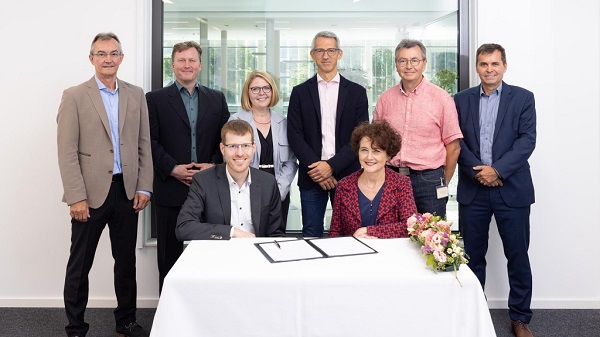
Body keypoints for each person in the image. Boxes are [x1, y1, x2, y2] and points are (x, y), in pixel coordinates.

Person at [57, 32, 152, 337]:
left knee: (125, 263)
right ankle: (75, 327)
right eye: (101, 54)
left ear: (121, 58)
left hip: (127, 191)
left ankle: (125, 322)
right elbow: (67, 151)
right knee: (79, 265)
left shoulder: (135, 94)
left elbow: (143, 144)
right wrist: (76, 197)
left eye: (113, 53)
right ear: (91, 59)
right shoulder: (74, 95)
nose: (108, 59)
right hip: (89, 195)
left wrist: (144, 186)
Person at [454, 43, 536, 337]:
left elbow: (526, 141)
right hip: (473, 190)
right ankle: (475, 314)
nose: (489, 69)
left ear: (504, 66)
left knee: (517, 255)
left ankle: (520, 318)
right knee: (472, 257)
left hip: (511, 189)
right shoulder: (460, 100)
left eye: (495, 64)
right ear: (477, 67)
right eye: (484, 64)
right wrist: (481, 172)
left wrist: (497, 170)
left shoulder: (523, 98)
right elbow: (456, 141)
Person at [146, 41, 229, 292]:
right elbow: (149, 140)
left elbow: (225, 139)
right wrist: (172, 168)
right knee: (168, 257)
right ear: (172, 65)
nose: (187, 65)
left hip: (209, 187)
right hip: (169, 187)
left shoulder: (217, 99)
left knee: (208, 256)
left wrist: (213, 164)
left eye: (192, 60)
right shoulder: (155, 99)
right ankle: (169, 320)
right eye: (181, 60)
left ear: (200, 65)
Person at [287, 31, 369, 237]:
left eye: (331, 50)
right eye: (320, 50)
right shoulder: (299, 92)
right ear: (312, 54)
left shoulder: (357, 92)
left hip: (348, 175)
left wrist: (331, 167)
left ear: (339, 54)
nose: (326, 55)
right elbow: (294, 134)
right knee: (311, 233)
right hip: (311, 175)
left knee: (350, 234)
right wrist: (319, 168)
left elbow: (360, 136)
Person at [373, 39, 462, 219]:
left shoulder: (442, 98)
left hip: (429, 180)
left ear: (424, 64)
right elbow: (376, 143)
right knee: (390, 234)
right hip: (391, 177)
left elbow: (453, 147)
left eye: (414, 60)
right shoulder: (385, 99)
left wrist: (443, 182)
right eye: (402, 61)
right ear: (396, 65)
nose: (408, 66)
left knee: (432, 238)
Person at [176, 120, 285, 240]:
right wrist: (231, 232)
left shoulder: (268, 183)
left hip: (256, 255)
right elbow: (183, 228)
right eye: (233, 146)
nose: (239, 153)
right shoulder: (203, 181)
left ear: (253, 148)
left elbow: (276, 235)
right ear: (222, 149)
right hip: (219, 254)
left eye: (245, 146)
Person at [228, 70, 298, 231]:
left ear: (272, 91)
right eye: (255, 89)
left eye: (266, 88)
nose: (261, 93)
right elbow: (232, 159)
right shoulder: (236, 121)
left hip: (278, 194)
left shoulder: (283, 122)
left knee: (275, 241)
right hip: (246, 193)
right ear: (248, 92)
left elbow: (291, 162)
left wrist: (278, 192)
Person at [329, 121, 417, 238]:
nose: (369, 157)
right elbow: (334, 233)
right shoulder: (344, 185)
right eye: (364, 150)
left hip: (390, 254)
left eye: (376, 151)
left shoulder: (401, 184)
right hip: (354, 253)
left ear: (388, 155)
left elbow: (410, 227)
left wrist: (369, 231)